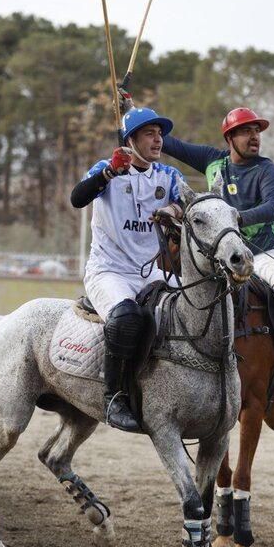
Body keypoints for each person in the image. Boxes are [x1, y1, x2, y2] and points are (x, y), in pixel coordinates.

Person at [153, 104, 274, 399]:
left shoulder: (266, 168)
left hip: (263, 253)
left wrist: (237, 217)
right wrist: (131, 109)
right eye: (246, 131)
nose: (254, 137)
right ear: (229, 138)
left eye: (256, 131)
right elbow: (169, 142)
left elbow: (273, 207)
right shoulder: (212, 161)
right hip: (220, 256)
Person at [71, 107, 185, 432]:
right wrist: (108, 174)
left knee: (192, 305)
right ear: (130, 139)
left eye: (160, 133)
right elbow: (77, 198)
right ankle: (113, 398)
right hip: (108, 271)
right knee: (127, 317)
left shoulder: (169, 176)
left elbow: (187, 203)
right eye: (150, 133)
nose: (158, 139)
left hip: (148, 272)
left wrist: (172, 209)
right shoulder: (107, 169)